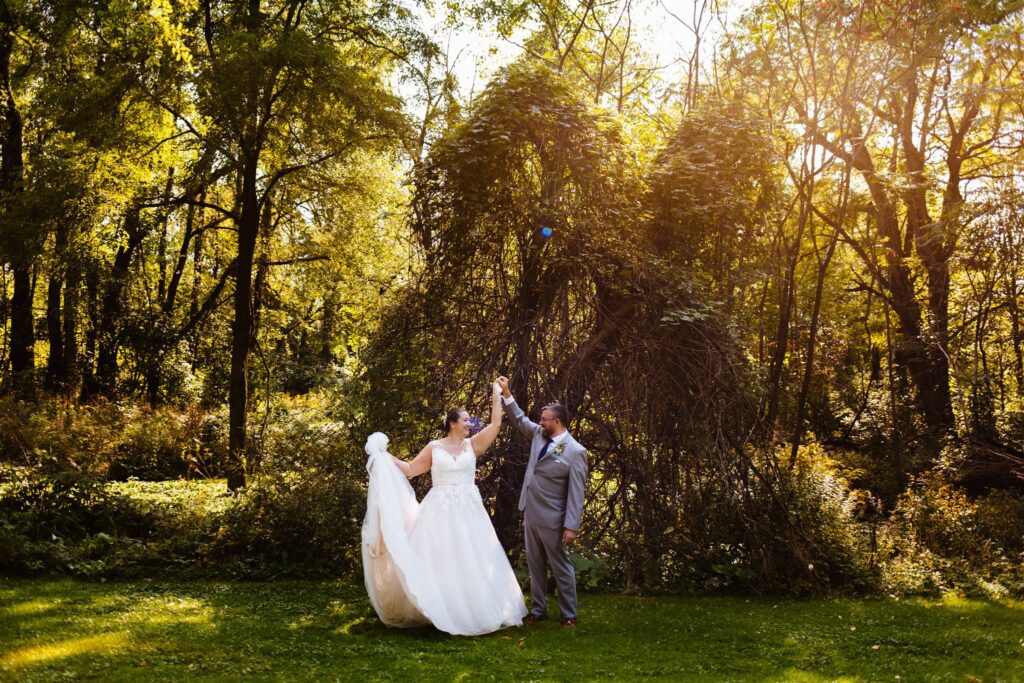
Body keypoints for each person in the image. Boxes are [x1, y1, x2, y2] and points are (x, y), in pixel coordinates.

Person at [361, 382, 526, 636]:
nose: (470, 423)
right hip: (438, 510)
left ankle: (470, 609)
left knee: (470, 558)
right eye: (465, 419)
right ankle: (435, 608)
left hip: (468, 510)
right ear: (452, 423)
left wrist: (498, 395)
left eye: (470, 420)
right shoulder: (434, 447)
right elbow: (411, 469)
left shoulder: (473, 445)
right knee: (439, 558)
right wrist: (385, 456)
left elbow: (495, 425)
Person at [496, 376, 588, 628]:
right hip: (531, 513)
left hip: (555, 518)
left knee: (561, 567)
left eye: (544, 419)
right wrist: (507, 393)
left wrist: (571, 526)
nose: (540, 422)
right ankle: (538, 610)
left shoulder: (575, 452)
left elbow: (576, 492)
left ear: (556, 422)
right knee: (535, 564)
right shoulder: (538, 435)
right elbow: (519, 419)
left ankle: (569, 614)